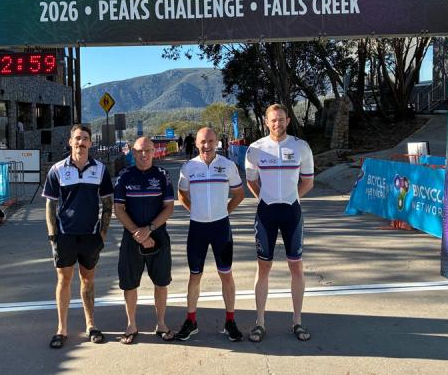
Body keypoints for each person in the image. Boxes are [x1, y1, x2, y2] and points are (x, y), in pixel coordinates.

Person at [244, 104, 314, 342]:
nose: (277, 123)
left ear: (288, 121)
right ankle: (260, 322)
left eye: (281, 119)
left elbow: (308, 182)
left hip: (292, 212)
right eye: (273, 120)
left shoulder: (301, 147)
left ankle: (297, 321)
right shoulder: (255, 149)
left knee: (296, 267)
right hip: (266, 213)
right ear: (266, 122)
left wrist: (292, 199)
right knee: (263, 267)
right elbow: (251, 181)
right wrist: (265, 199)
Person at [42, 124, 114, 349]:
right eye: (77, 138)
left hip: (90, 236)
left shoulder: (100, 170)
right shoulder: (57, 170)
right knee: (64, 280)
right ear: (70, 142)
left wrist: (102, 234)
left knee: (88, 280)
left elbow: (108, 203)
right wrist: (52, 236)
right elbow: (50, 205)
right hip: (65, 236)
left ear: (90, 143)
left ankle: (91, 325)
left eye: (84, 139)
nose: (80, 142)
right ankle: (61, 329)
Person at [174, 127, 245, 341]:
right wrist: (195, 211)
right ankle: (191, 320)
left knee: (226, 274)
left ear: (217, 142)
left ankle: (230, 321)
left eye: (211, 141)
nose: (207, 146)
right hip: (198, 228)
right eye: (203, 142)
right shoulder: (188, 167)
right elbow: (182, 193)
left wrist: (224, 212)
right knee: (194, 275)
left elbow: (239, 194)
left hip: (220, 228)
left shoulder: (228, 165)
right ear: (196, 143)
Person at [114, 137, 176, 344]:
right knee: (129, 283)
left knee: (161, 282)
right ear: (133, 152)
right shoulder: (124, 176)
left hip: (157, 234)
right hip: (131, 236)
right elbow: (118, 209)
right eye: (140, 151)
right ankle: (131, 324)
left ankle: (161, 323)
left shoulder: (162, 175)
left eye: (148, 150)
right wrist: (136, 232)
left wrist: (148, 230)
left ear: (154, 152)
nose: (144, 154)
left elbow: (169, 208)